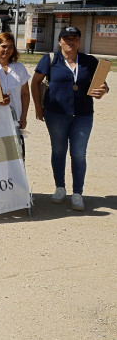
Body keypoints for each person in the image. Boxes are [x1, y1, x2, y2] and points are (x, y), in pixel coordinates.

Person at [30, 26, 109, 211]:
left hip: (83, 115)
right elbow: (34, 83)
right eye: (66, 38)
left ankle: (77, 193)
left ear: (79, 41)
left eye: (74, 38)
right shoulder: (50, 59)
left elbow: (102, 83)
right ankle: (59, 187)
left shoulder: (89, 61)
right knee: (58, 151)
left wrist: (103, 90)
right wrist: (38, 107)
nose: (70, 42)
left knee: (79, 154)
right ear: (60, 41)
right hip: (55, 114)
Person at [0, 32, 30, 131]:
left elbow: (25, 93)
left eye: (11, 47)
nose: (7, 50)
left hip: (15, 118)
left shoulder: (20, 68)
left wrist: (24, 116)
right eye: (3, 46)